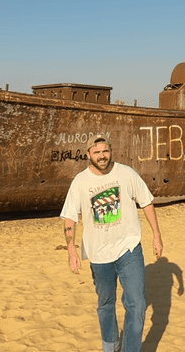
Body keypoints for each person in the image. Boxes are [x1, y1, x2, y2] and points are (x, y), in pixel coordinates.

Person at [61, 136, 163, 352]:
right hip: (98, 254)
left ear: (111, 151)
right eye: (96, 152)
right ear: (88, 154)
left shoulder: (126, 173)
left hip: (129, 249)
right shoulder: (80, 181)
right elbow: (69, 217)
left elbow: (146, 202)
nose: (102, 156)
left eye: (105, 151)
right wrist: (72, 251)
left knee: (137, 305)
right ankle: (110, 346)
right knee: (105, 305)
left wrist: (156, 235)